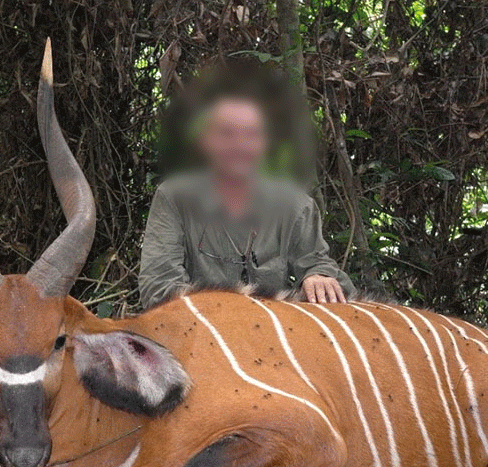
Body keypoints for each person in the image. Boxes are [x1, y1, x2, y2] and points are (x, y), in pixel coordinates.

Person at [138, 89, 357, 309]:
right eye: (226, 134)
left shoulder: (295, 205)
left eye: (252, 134)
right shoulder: (175, 198)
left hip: (273, 329)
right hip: (201, 327)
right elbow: (158, 288)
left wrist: (317, 276)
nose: (239, 146)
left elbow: (320, 265)